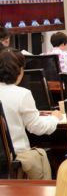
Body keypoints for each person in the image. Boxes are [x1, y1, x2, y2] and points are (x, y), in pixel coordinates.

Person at [0, 49, 62, 179]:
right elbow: (37, 128)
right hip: (15, 155)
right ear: (20, 70)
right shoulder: (22, 94)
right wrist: (54, 118)